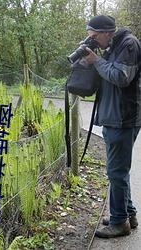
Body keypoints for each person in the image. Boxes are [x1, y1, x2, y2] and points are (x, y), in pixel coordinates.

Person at [83, 15, 141, 238]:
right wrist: (93, 60)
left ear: (107, 32)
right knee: (118, 171)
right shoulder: (112, 46)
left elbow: (120, 77)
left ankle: (119, 223)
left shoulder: (129, 44)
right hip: (113, 117)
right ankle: (128, 214)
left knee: (116, 171)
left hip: (123, 118)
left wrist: (96, 61)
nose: (94, 41)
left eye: (95, 37)